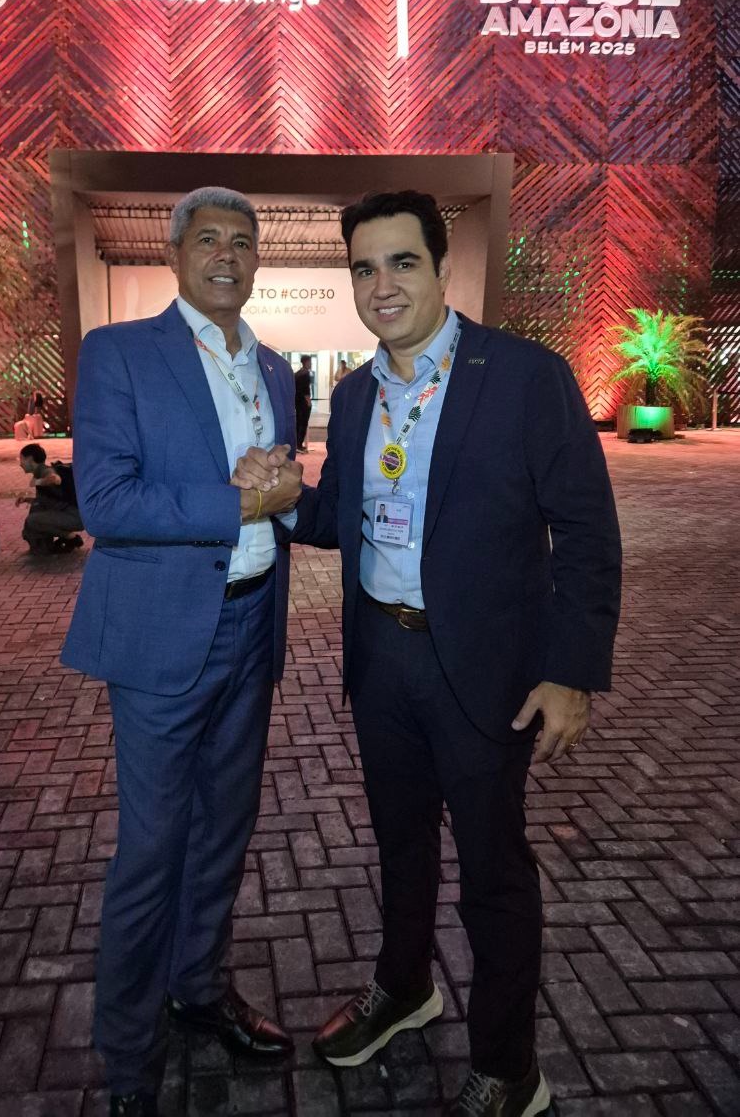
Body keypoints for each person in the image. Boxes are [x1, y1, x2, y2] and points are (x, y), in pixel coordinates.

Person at [233, 190, 622, 1117]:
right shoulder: (356, 395)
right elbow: (342, 518)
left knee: (493, 870)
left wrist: (570, 671)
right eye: (364, 268)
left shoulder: (524, 377)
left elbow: (587, 531)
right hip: (383, 658)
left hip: (484, 668)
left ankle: (509, 1068)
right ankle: (404, 987)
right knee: (401, 846)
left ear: (443, 268)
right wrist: (282, 499)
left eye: (402, 262)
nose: (382, 285)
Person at [61, 187, 302, 1117]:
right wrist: (241, 501)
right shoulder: (119, 353)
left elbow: (277, 485)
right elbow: (106, 502)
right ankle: (129, 1058)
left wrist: (278, 485)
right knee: (152, 849)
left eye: (243, 241)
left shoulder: (273, 367)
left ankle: (197, 989)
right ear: (173, 254)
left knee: (224, 834)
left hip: (252, 622)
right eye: (208, 239)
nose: (227, 255)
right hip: (164, 637)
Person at [17, 443, 83, 554]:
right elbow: (47, 501)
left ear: (30, 459)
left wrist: (38, 482)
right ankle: (50, 543)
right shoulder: (39, 472)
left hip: (75, 517)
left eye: (21, 459)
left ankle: (71, 537)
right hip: (73, 515)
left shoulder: (45, 471)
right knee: (36, 510)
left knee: (32, 520)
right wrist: (27, 499)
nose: (20, 464)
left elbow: (55, 479)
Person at [294, 353, 313, 452]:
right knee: (303, 423)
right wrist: (308, 401)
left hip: (297, 401)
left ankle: (297, 444)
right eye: (310, 362)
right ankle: (299, 445)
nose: (311, 364)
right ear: (306, 362)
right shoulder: (305, 374)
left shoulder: (297, 373)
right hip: (303, 402)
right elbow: (306, 390)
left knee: (298, 423)